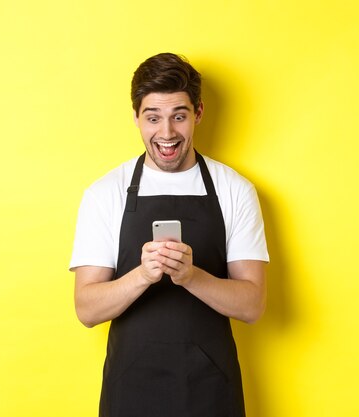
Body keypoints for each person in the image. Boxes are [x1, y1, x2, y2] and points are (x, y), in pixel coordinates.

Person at [70, 52, 269, 417]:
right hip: (131, 391)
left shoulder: (234, 190)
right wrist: (144, 275)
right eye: (153, 118)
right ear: (136, 118)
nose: (166, 133)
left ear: (198, 114)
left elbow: (252, 305)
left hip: (212, 391)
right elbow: (87, 309)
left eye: (178, 116)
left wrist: (190, 276)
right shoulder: (105, 193)